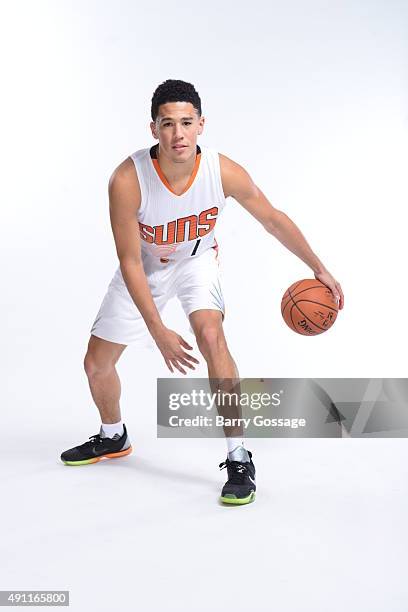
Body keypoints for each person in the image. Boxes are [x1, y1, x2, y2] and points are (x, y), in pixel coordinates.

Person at [60, 79, 344, 505]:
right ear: (153, 129)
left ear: (201, 125)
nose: (178, 134)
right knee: (96, 365)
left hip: (197, 261)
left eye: (187, 123)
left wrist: (319, 267)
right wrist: (157, 329)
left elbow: (273, 219)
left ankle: (239, 455)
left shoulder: (221, 170)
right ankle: (113, 436)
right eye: (168, 123)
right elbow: (130, 261)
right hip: (147, 266)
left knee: (212, 337)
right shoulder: (127, 178)